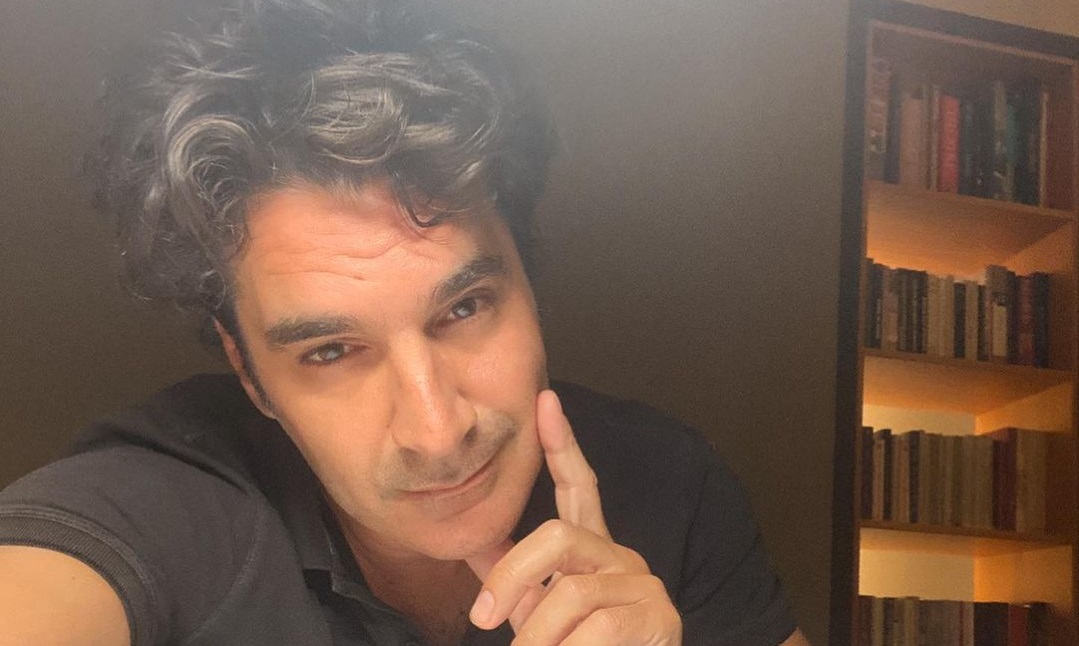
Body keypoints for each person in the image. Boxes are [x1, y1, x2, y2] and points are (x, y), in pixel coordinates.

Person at [0, 1, 809, 644]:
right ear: (249, 374)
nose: (436, 430)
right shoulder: (165, 506)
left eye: (463, 308)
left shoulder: (666, 488)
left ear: (529, 283)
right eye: (331, 351)